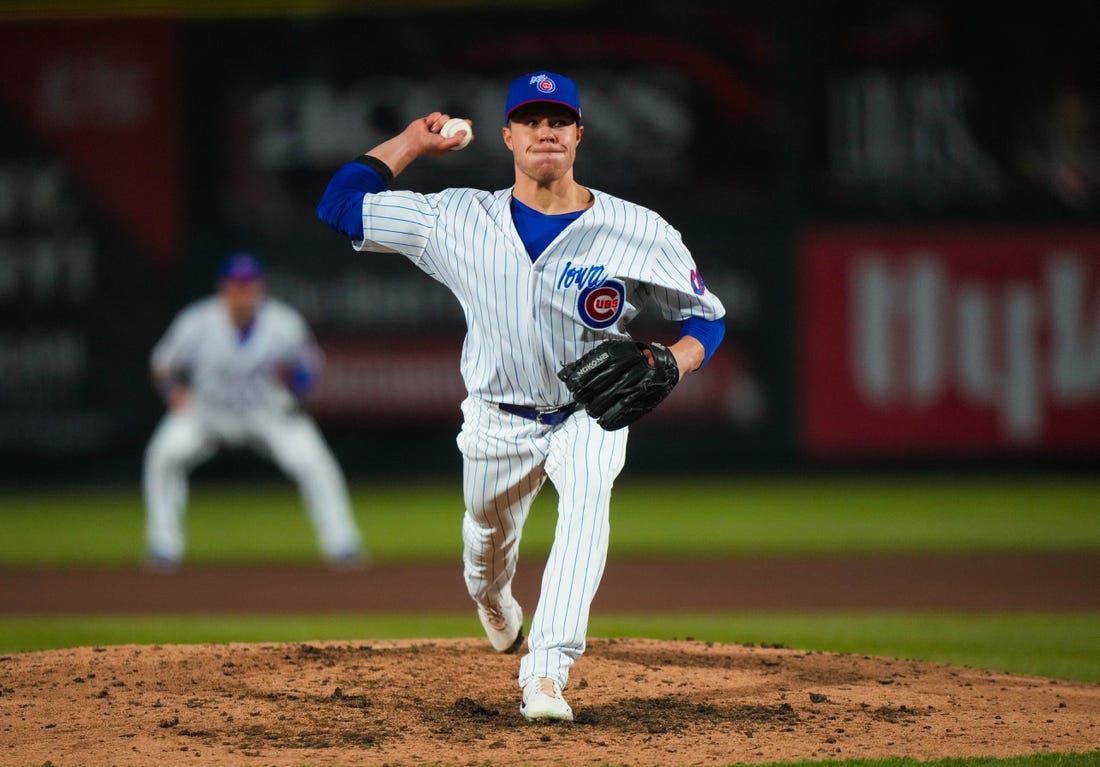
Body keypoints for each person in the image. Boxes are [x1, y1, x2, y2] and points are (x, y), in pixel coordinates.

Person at [316, 71, 726, 721]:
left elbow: (707, 317)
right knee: (485, 542)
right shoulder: (455, 218)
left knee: (588, 507)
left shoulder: (637, 228)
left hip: (590, 412)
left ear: (578, 135)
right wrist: (410, 143)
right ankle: (492, 596)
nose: (546, 131)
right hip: (496, 419)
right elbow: (340, 207)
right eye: (531, 120)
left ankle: (546, 672)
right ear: (507, 135)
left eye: (558, 120)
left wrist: (675, 362)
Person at [142, 251, 364, 571]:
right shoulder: (197, 322)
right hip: (208, 412)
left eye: (250, 285)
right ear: (224, 288)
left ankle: (342, 543)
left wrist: (299, 389)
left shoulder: (282, 322)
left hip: (267, 412)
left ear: (260, 288)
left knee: (315, 462)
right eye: (237, 285)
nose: (244, 293)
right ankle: (164, 545)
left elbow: (308, 363)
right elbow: (161, 365)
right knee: (163, 455)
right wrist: (172, 394)